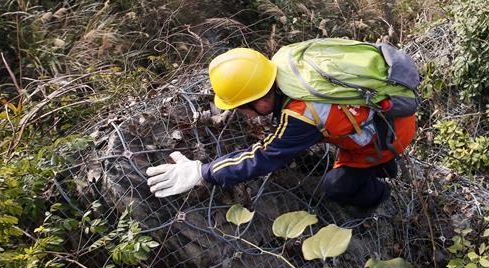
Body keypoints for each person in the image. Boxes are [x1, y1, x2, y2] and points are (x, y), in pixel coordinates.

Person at [145, 47, 416, 212]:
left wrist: (203, 172)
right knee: (354, 153)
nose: (240, 113)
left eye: (242, 108)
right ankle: (382, 168)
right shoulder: (285, 60)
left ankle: (380, 194)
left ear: (262, 102)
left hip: (389, 134)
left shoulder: (301, 115)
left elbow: (263, 157)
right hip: (382, 112)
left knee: (336, 187)